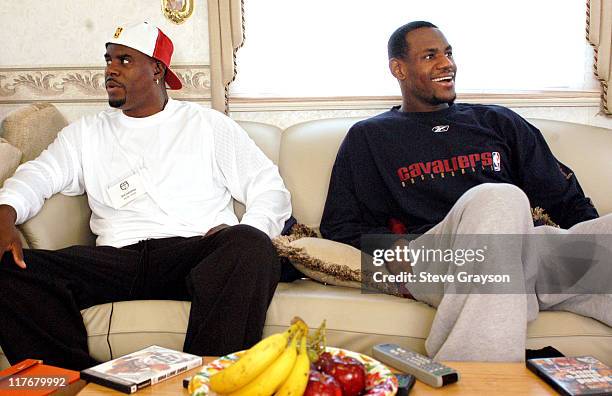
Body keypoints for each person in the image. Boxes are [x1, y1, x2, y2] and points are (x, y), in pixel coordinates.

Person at [0, 22, 291, 370]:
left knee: (249, 244)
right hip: (118, 260)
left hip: (194, 253)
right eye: (108, 60)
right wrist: (5, 214)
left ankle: (204, 383)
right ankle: (76, 384)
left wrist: (245, 230)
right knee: (7, 270)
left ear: (157, 69)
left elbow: (268, 187)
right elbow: (39, 174)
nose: (110, 69)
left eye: (124, 60)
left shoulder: (208, 125)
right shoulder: (86, 133)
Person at [320, 21, 612, 361]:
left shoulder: (496, 121)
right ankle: (481, 376)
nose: (447, 63)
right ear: (399, 68)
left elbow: (564, 197)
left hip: (519, 254)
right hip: (437, 256)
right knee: (499, 197)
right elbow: (340, 226)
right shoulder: (370, 137)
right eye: (430, 56)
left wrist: (592, 250)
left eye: (448, 53)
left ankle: (511, 300)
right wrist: (390, 250)